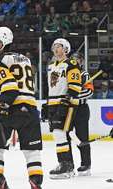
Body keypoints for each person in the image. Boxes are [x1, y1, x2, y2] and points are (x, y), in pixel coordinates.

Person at [0, 27, 46, 189]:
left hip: (10, 109)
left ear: (3, 42)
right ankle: (37, 188)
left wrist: (2, 105)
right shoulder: (24, 59)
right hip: (30, 109)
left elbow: (10, 88)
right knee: (32, 152)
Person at [46, 38, 82, 179]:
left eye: (59, 46)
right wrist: (48, 102)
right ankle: (66, 164)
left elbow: (75, 85)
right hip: (53, 103)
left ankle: (65, 165)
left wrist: (67, 100)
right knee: (58, 134)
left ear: (66, 49)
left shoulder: (71, 64)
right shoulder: (51, 66)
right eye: (54, 46)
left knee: (59, 133)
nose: (56, 48)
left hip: (65, 103)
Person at [71, 53, 94, 175]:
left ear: (81, 61)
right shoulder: (67, 74)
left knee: (82, 137)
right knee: (67, 136)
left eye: (77, 59)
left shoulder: (84, 75)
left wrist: (74, 97)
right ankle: (67, 163)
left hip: (81, 110)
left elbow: (89, 92)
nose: (75, 61)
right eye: (73, 59)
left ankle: (86, 163)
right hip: (68, 109)